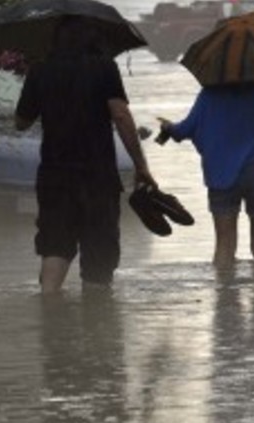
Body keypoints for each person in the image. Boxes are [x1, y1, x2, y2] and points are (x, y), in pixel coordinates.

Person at [14, 17, 154, 294]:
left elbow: (21, 122)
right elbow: (121, 116)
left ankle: (50, 316)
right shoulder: (104, 68)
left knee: (55, 244)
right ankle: (98, 327)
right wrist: (141, 166)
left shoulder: (40, 69)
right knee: (99, 252)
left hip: (55, 175)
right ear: (93, 38)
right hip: (97, 176)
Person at [158, 66, 254, 269]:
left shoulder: (209, 93)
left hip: (221, 175)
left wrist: (168, 127)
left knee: (224, 244)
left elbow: (184, 130)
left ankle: (224, 297)